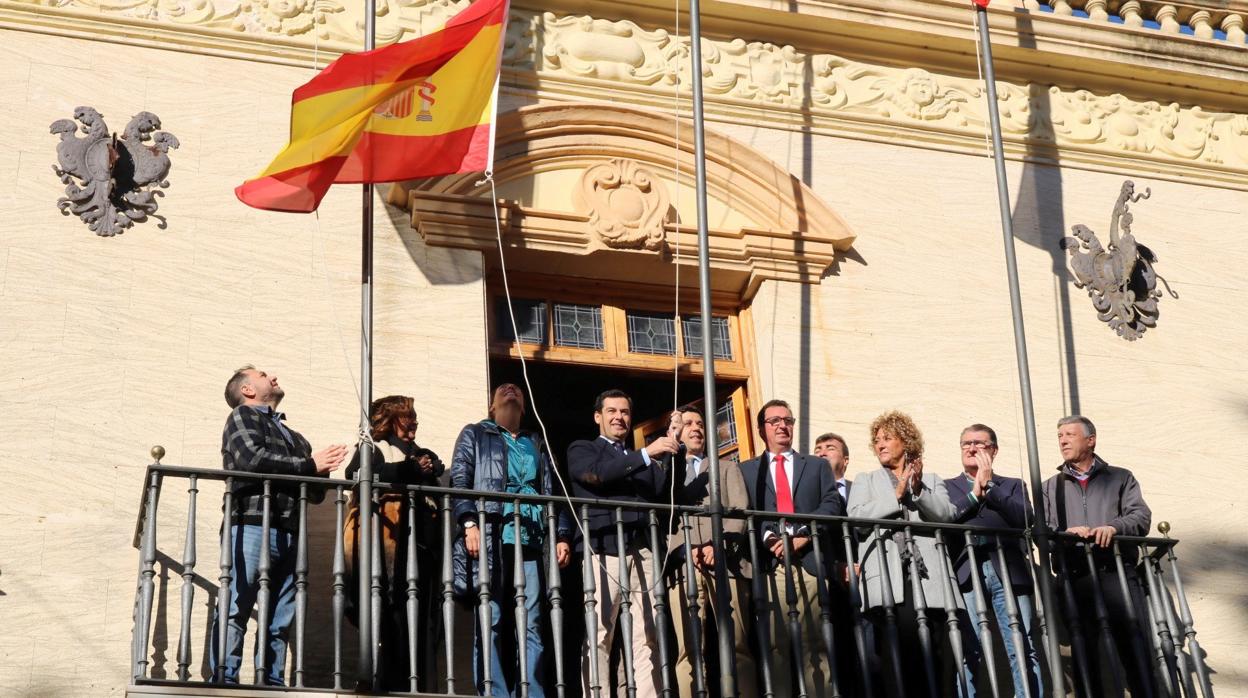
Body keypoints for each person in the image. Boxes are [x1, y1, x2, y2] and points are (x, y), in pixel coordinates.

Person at [210, 365, 347, 685]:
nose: (272, 377)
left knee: (280, 616)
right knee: (237, 605)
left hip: (290, 530)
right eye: (262, 375)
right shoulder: (243, 416)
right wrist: (310, 465)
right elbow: (251, 460)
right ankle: (224, 680)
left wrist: (321, 469)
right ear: (247, 390)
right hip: (251, 523)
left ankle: (270, 680)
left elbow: (314, 494)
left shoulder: (296, 437)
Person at [451, 383, 574, 697]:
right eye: (503, 389)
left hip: (531, 539)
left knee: (531, 621)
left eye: (517, 389)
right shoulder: (476, 433)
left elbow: (555, 490)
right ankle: (494, 692)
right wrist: (468, 522)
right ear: (492, 406)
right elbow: (460, 479)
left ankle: (532, 691)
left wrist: (561, 534)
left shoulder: (536, 441)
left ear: (524, 406)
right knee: (490, 617)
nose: (511, 390)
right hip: (492, 535)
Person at [568, 389, 682, 698]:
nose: (619, 417)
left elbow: (664, 492)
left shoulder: (642, 458)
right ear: (598, 417)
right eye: (612, 411)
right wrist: (646, 453)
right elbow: (596, 475)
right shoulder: (583, 448)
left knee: (648, 635)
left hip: (642, 549)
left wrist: (673, 446)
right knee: (600, 632)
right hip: (604, 546)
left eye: (625, 412)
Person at [739, 399, 845, 698]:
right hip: (770, 564)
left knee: (816, 643)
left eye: (787, 420)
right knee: (776, 645)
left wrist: (804, 534)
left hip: (809, 560)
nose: (782, 426)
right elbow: (744, 511)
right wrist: (769, 539)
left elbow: (831, 504)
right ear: (762, 429)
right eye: (774, 421)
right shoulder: (746, 470)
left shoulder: (816, 465)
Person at [847, 410, 956, 698]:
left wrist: (918, 490)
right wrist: (895, 495)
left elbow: (947, 516)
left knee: (937, 653)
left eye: (887, 438)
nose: (880, 444)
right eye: (877, 440)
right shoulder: (866, 480)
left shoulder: (931, 479)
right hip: (889, 579)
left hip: (929, 578)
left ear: (906, 442)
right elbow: (856, 520)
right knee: (898, 655)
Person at [1043, 415, 1153, 698]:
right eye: (1059, 436)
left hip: (1115, 571)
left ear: (1090, 440)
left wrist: (1113, 527)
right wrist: (1066, 534)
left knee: (1134, 645)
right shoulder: (1050, 486)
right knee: (1083, 650)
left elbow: (1140, 516)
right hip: (1074, 575)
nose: (1063, 440)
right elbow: (1042, 529)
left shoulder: (1120, 477)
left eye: (1069, 434)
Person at [343, 395, 444, 691]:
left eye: (415, 417)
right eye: (407, 416)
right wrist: (408, 470)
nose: (414, 422)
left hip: (423, 548)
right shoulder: (375, 446)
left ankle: (420, 689)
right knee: (392, 619)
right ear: (390, 419)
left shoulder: (419, 453)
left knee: (424, 624)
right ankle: (390, 686)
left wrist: (430, 466)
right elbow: (355, 473)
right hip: (391, 548)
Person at [944, 424, 1042, 698]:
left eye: (979, 443)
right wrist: (974, 495)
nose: (971, 448)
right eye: (966, 443)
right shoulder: (946, 487)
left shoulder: (1012, 485)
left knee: (1021, 645)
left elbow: (1025, 518)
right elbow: (945, 518)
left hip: (1008, 570)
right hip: (966, 570)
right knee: (968, 648)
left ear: (994, 451)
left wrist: (990, 486)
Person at [666, 405, 757, 695]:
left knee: (737, 644)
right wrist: (685, 550)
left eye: (700, 424)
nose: (696, 428)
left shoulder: (727, 467)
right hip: (684, 569)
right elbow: (663, 520)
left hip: (727, 564)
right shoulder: (667, 472)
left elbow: (739, 510)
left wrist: (720, 545)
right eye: (688, 424)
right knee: (688, 650)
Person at [815, 432, 852, 509]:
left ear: (845, 460)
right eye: (817, 450)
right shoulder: (803, 489)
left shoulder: (858, 489)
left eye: (830, 449)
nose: (822, 453)